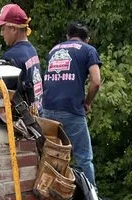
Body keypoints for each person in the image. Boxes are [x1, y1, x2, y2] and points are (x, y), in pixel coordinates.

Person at [42, 21, 102, 187]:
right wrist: (87, 103)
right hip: (70, 109)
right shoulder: (88, 50)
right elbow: (96, 81)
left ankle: (52, 192)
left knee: (53, 156)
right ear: (87, 39)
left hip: (46, 109)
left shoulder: (54, 50)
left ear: (68, 37)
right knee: (84, 158)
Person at [0, 4, 43, 109]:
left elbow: (4, 95)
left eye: (3, 29)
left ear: (14, 29)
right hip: (36, 112)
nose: (1, 33)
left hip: (22, 119)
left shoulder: (12, 56)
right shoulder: (31, 50)